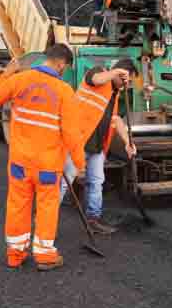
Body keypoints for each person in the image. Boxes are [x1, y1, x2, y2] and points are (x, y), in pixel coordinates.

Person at [0, 44, 86, 271]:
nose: (65, 71)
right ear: (61, 63)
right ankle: (44, 255)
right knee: (47, 208)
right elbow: (72, 134)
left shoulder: (21, 80)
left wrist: (6, 75)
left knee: (18, 205)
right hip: (48, 166)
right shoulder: (64, 91)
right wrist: (80, 164)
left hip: (20, 162)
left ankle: (15, 254)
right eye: (66, 67)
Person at [59, 59, 137, 235]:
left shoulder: (114, 94)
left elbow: (116, 120)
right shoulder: (97, 73)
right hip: (78, 141)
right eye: (127, 79)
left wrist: (127, 142)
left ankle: (93, 219)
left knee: (96, 182)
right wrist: (116, 72)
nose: (128, 84)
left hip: (97, 147)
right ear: (119, 73)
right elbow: (96, 79)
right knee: (64, 182)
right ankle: (45, 221)